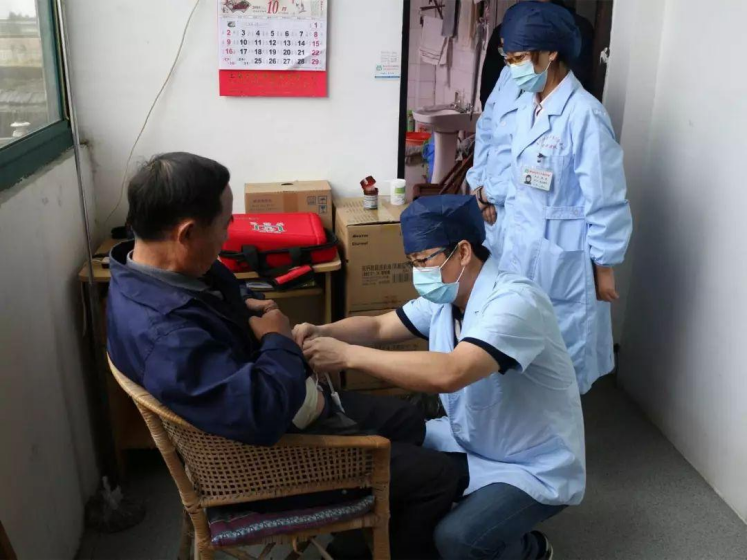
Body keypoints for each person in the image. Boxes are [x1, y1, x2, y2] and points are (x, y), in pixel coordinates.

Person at [106, 152, 461, 560]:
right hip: (262, 462)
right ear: (186, 233)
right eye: (225, 224)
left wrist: (252, 309)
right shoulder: (166, 336)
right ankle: (373, 542)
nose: (229, 235)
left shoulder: (150, 270)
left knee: (410, 421)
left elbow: (227, 294)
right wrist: (278, 341)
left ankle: (364, 534)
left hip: (273, 408)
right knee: (440, 476)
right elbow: (262, 413)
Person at [297, 195, 586, 560]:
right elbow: (378, 327)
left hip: (532, 463)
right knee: (401, 471)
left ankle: (530, 549)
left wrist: (347, 356)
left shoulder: (514, 303)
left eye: (423, 261)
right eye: (412, 262)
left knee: (456, 539)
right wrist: (321, 331)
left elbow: (452, 372)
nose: (418, 272)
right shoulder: (448, 298)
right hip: (478, 439)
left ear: (463, 252)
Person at [499, 1, 633, 394]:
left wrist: (604, 266)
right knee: (523, 357)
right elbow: (519, 183)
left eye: (520, 58)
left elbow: (605, 197)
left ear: (551, 53)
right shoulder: (527, 107)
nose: (513, 68)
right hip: (521, 249)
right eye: (508, 59)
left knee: (563, 360)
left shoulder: (585, 116)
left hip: (564, 260)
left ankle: (563, 431)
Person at [479, 0, 595, 109]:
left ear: (552, 52)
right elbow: (488, 100)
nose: (512, 65)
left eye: (519, 57)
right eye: (506, 56)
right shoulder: (508, 29)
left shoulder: (576, 29)